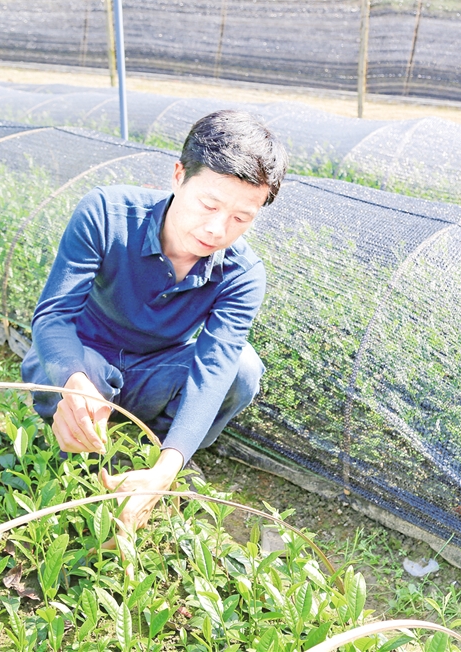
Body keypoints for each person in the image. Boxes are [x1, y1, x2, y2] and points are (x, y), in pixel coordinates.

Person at [21, 109, 288, 536]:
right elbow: (54, 316)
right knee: (73, 377)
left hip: (155, 372)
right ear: (179, 176)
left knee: (244, 367)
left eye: (241, 218)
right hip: (87, 361)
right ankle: (80, 445)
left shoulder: (242, 274)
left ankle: (157, 454)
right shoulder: (107, 213)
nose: (217, 229)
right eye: (209, 205)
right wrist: (72, 381)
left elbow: (215, 369)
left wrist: (168, 468)